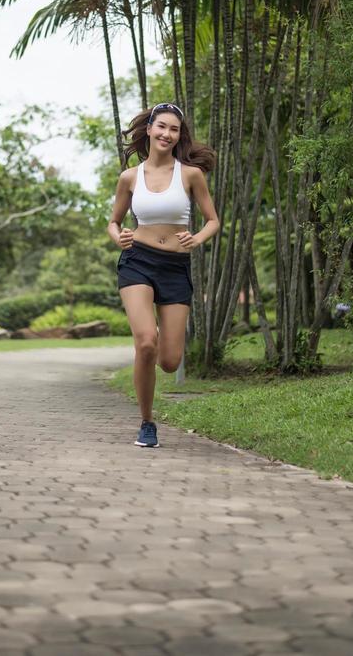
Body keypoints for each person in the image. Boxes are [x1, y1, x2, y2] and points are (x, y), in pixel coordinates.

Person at [107, 102, 219, 448]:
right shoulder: (130, 177)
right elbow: (113, 222)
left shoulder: (190, 175)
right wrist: (119, 236)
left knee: (169, 361)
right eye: (162, 127)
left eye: (174, 129)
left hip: (174, 266)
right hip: (137, 261)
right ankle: (146, 422)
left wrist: (197, 237)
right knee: (146, 343)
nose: (167, 134)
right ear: (150, 129)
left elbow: (213, 220)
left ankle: (154, 388)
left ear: (179, 136)